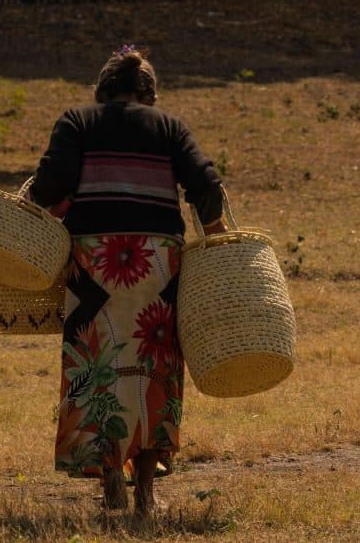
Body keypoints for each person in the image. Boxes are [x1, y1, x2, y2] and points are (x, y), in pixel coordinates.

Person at [29, 46, 226, 517]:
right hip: (157, 267)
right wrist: (218, 238)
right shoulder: (170, 128)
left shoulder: (78, 121)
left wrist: (45, 198)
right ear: (148, 93)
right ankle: (146, 492)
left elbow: (49, 184)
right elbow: (207, 186)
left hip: (94, 264)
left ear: (103, 89)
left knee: (97, 366)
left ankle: (110, 480)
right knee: (154, 367)